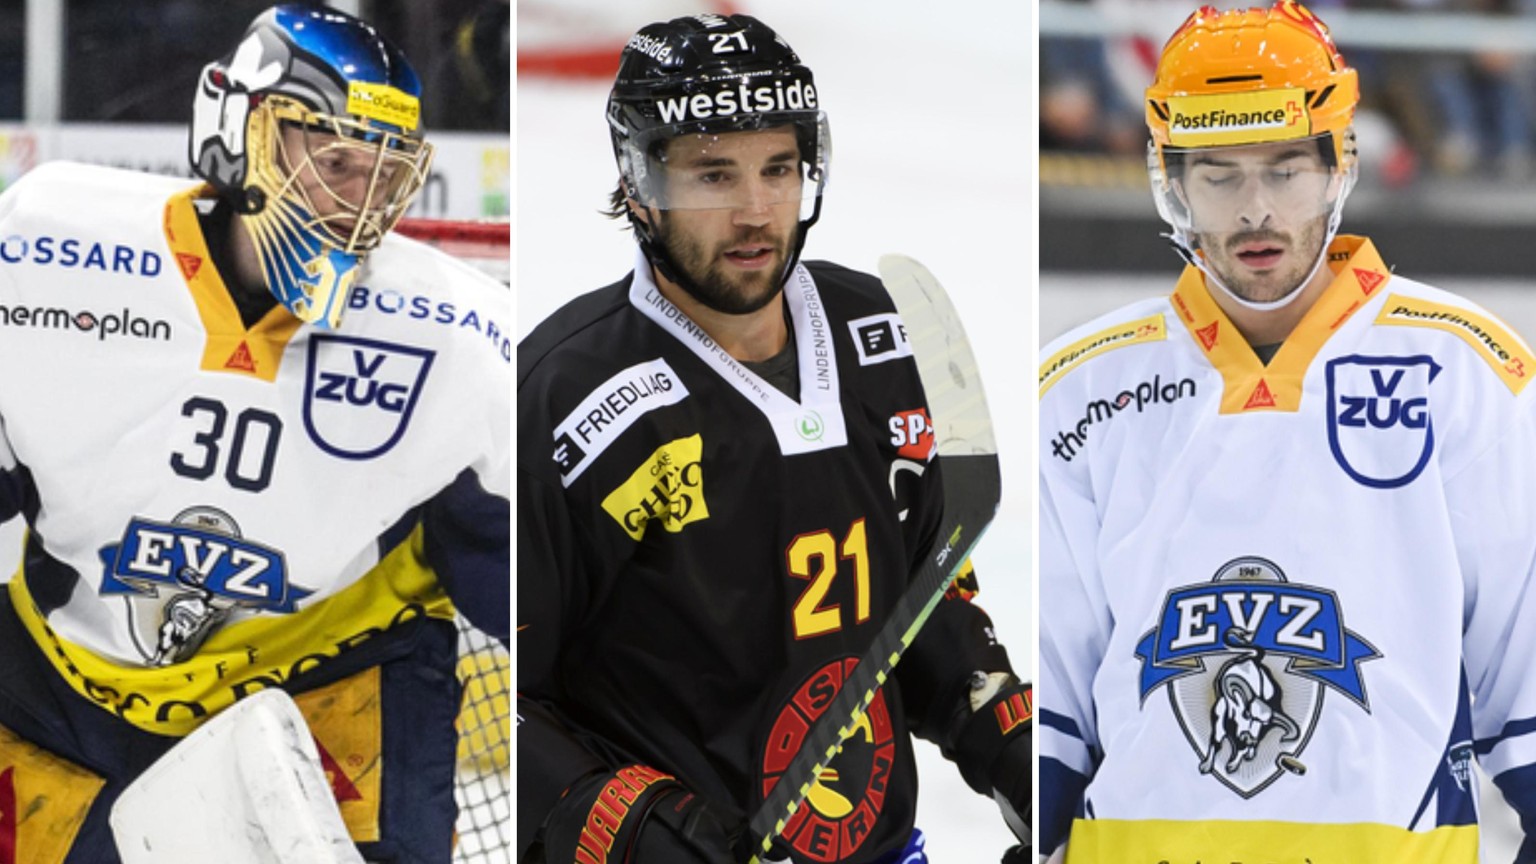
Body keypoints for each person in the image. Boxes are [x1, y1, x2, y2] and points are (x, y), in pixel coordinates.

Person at [517, 13, 1030, 864]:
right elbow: (503, 691)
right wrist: (634, 832)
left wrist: (1005, 738)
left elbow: (921, 596)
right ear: (639, 183)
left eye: (779, 168)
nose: (757, 212)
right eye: (713, 173)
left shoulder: (885, 330)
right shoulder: (571, 396)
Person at [0, 5, 509, 862]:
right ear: (237, 129)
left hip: (324, 678)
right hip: (56, 688)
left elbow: (527, 576)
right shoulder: (46, 250)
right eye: (335, 162)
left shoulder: (454, 340)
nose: (358, 204)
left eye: (383, 176)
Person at [1038, 2, 1536, 861]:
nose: (1255, 210)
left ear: (1337, 164)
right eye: (1219, 175)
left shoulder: (1469, 371)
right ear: (1173, 180)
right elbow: (1050, 697)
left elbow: (1523, 658)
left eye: (1284, 170)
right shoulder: (1081, 386)